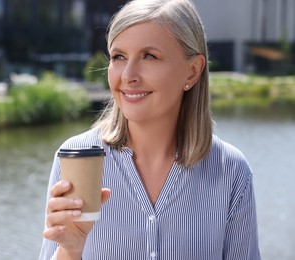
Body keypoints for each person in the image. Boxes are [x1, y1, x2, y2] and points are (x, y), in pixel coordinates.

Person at [39, 0, 261, 259]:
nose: (128, 76)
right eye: (118, 56)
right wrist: (69, 250)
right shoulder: (76, 157)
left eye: (149, 56)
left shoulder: (231, 171)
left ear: (192, 71)